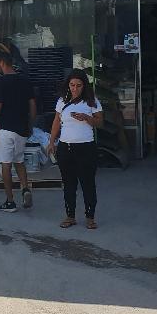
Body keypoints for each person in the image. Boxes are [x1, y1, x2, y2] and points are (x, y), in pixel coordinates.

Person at [47, 69, 103, 229]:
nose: (75, 88)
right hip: (66, 147)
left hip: (86, 147)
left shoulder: (92, 101)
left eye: (79, 85)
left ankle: (90, 217)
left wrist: (87, 118)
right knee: (68, 184)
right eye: (72, 85)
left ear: (84, 86)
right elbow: (56, 122)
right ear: (68, 85)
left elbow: (100, 122)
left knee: (88, 184)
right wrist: (51, 142)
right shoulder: (62, 101)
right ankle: (70, 216)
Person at [0, 52, 36, 213]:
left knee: (5, 165)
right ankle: (25, 189)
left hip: (5, 129)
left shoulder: (1, 81)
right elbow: (33, 105)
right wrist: (30, 125)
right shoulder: (25, 80)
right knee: (19, 161)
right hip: (22, 130)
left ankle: (10, 201)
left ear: (2, 63)